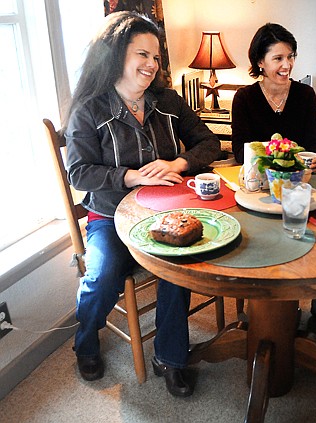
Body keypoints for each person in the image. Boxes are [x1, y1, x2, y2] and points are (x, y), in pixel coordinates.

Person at [64, 11, 221, 397]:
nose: (151, 65)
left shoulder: (168, 101)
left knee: (177, 268)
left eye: (156, 57)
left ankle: (169, 357)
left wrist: (178, 163)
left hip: (166, 212)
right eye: (142, 54)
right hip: (110, 217)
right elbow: (79, 174)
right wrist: (131, 177)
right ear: (117, 54)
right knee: (102, 279)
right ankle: (85, 341)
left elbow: (209, 143)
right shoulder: (90, 110)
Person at [231, 22, 316, 338]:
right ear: (260, 62)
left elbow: (314, 140)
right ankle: (272, 303)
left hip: (302, 181)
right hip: (261, 187)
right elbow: (239, 148)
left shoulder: (304, 94)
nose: (287, 66)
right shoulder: (244, 98)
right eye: (278, 58)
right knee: (258, 231)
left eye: (291, 57)